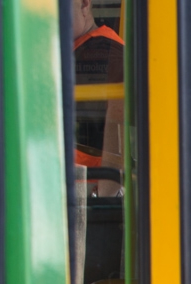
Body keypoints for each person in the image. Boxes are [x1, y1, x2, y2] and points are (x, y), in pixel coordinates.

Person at [73, 0, 124, 178]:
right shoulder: (78, 49)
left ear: (84, 4)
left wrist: (106, 193)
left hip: (89, 188)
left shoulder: (103, 53)